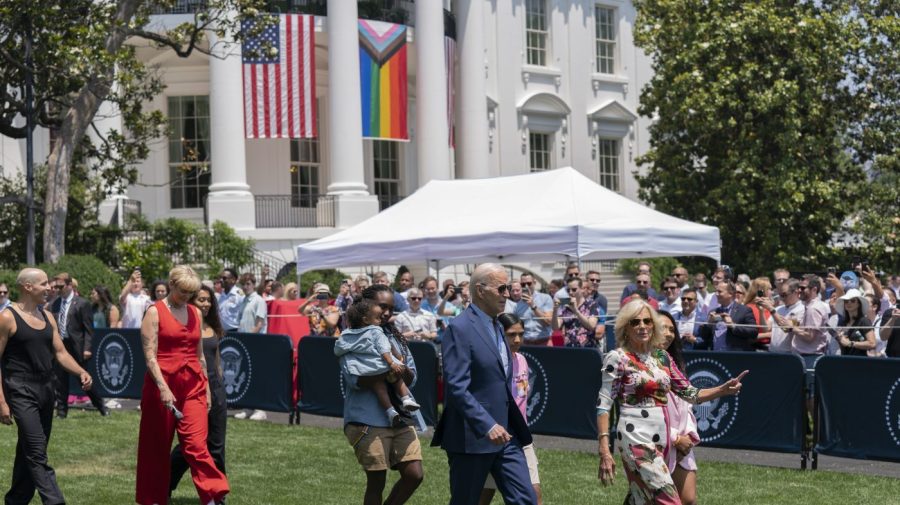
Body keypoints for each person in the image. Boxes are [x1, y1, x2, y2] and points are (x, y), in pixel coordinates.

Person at [597, 299, 747, 505]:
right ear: (625, 328)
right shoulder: (618, 358)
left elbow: (689, 392)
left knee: (641, 499)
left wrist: (722, 390)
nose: (642, 326)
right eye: (635, 322)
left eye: (647, 321)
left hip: (663, 437)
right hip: (635, 436)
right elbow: (603, 405)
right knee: (670, 500)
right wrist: (605, 450)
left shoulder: (662, 357)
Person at [432, 263, 537, 505]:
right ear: (480, 290)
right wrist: (487, 425)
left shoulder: (498, 325)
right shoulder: (460, 328)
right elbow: (457, 386)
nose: (508, 294)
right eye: (502, 288)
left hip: (507, 435)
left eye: (508, 288)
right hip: (472, 437)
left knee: (526, 499)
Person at [136, 265, 229, 505]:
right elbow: (149, 355)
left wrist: (206, 388)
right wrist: (163, 387)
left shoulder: (195, 313)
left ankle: (213, 496)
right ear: (171, 285)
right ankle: (153, 498)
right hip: (162, 384)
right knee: (155, 446)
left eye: (191, 293)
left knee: (198, 445)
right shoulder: (154, 312)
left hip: (193, 384)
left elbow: (200, 355)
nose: (187, 297)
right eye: (183, 292)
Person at [0, 268, 94, 505]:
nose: (50, 288)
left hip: (45, 388)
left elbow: (60, 354)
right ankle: (55, 501)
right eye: (44, 284)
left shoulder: (48, 316)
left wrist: (81, 371)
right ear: (27, 287)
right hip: (20, 389)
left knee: (28, 451)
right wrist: (1, 402)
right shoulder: (7, 318)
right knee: (37, 451)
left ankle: (16, 500)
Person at [342, 284, 424, 505]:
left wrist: (400, 368)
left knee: (415, 474)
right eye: (382, 306)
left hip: (401, 417)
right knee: (376, 482)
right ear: (367, 306)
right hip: (367, 420)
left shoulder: (396, 337)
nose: (387, 312)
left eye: (391, 307)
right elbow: (354, 379)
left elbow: (412, 377)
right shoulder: (353, 337)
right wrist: (385, 371)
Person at [479, 312, 543, 505]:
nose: (517, 339)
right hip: (494, 437)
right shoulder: (490, 363)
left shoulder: (522, 360)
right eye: (511, 334)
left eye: (521, 334)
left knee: (534, 494)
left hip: (520, 437)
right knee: (482, 497)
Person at [170, 285, 227, 497]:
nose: (205, 304)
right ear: (191, 302)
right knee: (190, 446)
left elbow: (216, 359)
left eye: (208, 300)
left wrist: (219, 384)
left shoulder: (213, 326)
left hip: (217, 389)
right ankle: (166, 482)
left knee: (217, 445)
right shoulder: (184, 325)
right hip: (194, 389)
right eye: (200, 300)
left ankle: (217, 494)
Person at [336, 300, 421, 426]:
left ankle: (390, 411)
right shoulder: (376, 331)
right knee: (397, 378)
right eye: (378, 316)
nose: (383, 317)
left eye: (391, 309)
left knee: (379, 387)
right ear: (365, 319)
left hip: (367, 370)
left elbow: (338, 349)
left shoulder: (347, 335)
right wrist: (392, 362)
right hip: (366, 419)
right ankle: (406, 399)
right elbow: (384, 349)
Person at [50, 272, 109, 418]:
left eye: (61, 286)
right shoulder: (54, 304)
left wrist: (87, 348)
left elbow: (88, 329)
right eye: (56, 287)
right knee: (60, 380)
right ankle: (61, 412)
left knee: (84, 380)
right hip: (60, 346)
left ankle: (101, 406)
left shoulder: (82, 303)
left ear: (70, 285)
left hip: (77, 346)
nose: (58, 289)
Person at [657, 311, 700, 505]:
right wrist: (674, 438)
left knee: (687, 499)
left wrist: (689, 436)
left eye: (672, 329)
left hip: (683, 443)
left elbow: (687, 403)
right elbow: (643, 414)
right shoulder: (637, 367)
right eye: (663, 328)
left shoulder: (674, 365)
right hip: (655, 444)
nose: (668, 334)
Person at [696, 281, 759, 351]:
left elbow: (754, 332)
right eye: (716, 291)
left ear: (731, 294)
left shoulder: (744, 310)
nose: (716, 294)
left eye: (719, 292)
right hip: (715, 357)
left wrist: (733, 326)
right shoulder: (713, 312)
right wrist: (708, 324)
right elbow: (704, 336)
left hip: (734, 357)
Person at [551, 277, 601, 350]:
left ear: (581, 289)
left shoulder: (591, 304)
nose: (570, 292)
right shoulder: (565, 304)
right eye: (568, 290)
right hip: (569, 349)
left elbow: (592, 326)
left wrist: (576, 311)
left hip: (587, 349)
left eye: (574, 289)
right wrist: (555, 310)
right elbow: (555, 328)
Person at [758, 279, 805, 353]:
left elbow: (787, 329)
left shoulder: (802, 309)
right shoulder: (778, 309)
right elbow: (766, 329)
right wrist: (761, 311)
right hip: (772, 351)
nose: (782, 298)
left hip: (788, 353)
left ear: (796, 292)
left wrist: (771, 309)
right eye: (780, 295)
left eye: (784, 295)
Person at [505, 278, 553, 346]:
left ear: (534, 282)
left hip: (544, 341)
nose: (526, 286)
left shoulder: (545, 298)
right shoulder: (515, 305)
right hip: (525, 343)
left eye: (529, 283)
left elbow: (548, 322)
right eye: (523, 284)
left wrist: (533, 306)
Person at [835, 289, 876, 356]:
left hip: (859, 361)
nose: (849, 303)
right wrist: (840, 339)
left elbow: (872, 343)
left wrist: (851, 343)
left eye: (853, 300)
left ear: (859, 304)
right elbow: (843, 344)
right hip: (844, 360)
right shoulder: (843, 322)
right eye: (846, 301)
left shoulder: (864, 321)